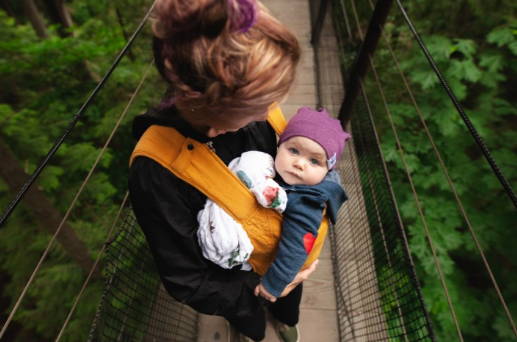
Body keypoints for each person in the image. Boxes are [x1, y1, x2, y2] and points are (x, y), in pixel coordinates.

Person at [128, 0, 318, 341]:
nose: (272, 110)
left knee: (288, 304)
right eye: (262, 106)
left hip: (283, 250)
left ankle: (286, 318)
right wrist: (262, 288)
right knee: (251, 323)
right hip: (234, 284)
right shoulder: (155, 172)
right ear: (219, 125)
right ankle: (254, 330)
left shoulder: (254, 116)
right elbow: (187, 278)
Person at [196, 107, 349, 302]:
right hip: (275, 257)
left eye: (314, 161)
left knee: (287, 301)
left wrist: (274, 285)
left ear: (327, 171)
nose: (300, 164)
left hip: (285, 269)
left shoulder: (307, 202)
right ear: (280, 146)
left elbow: (297, 247)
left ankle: (287, 320)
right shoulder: (287, 177)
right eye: (293, 150)